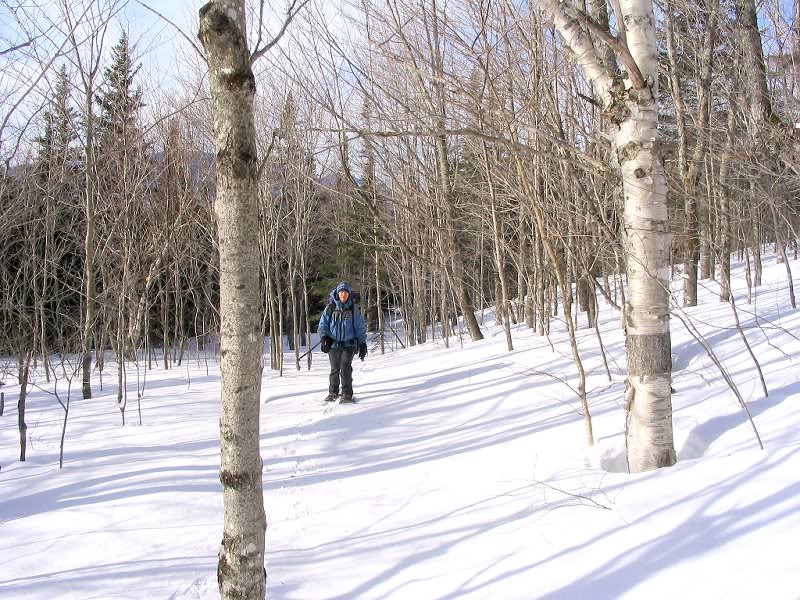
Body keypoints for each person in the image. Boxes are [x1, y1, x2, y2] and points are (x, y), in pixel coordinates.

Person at [318, 282, 367, 403]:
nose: (343, 294)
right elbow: (323, 324)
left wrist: (362, 343)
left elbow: (359, 326)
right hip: (333, 343)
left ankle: (347, 393)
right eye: (341, 292)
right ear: (337, 293)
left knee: (345, 366)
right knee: (334, 368)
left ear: (349, 294)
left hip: (349, 344)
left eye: (345, 292)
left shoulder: (352, 309)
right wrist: (324, 337)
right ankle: (333, 392)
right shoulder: (330, 307)